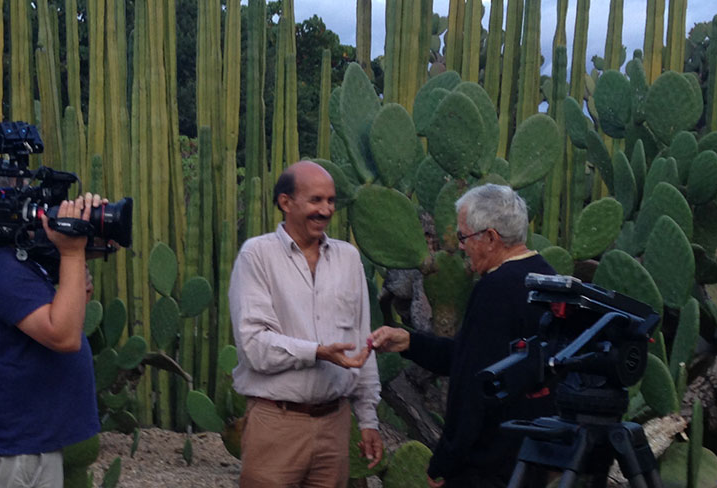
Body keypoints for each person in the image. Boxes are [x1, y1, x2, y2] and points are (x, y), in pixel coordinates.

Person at [369, 183, 557, 488]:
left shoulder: (495, 289)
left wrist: (445, 459)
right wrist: (411, 342)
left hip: (488, 463)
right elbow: (481, 356)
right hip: (534, 455)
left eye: (463, 236)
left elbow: (474, 384)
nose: (459, 246)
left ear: (491, 238)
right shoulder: (546, 276)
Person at [0, 148, 105, 488]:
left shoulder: (10, 256)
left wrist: (91, 229)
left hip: (27, 442)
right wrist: (72, 251)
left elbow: (70, 310)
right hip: (11, 450)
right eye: (21, 196)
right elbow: (64, 335)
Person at [228, 160, 382, 488]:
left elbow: (362, 343)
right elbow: (254, 345)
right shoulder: (257, 256)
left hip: (335, 426)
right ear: (286, 202)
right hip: (276, 423)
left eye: (330, 201)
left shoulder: (348, 258)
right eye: (315, 200)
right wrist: (317, 352)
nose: (325, 210)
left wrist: (368, 420)